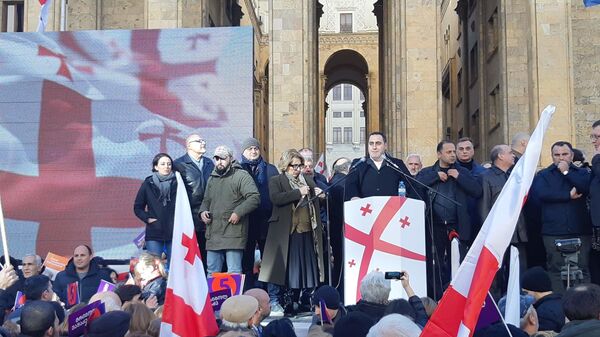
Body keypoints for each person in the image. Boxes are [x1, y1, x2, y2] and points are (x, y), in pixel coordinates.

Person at [259, 149, 326, 314]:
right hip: (283, 232)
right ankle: (275, 301)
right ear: (285, 165)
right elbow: (276, 198)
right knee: (277, 268)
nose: (297, 169)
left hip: (305, 232)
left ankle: (300, 300)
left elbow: (321, 195)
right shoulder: (276, 180)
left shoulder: (308, 180)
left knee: (300, 269)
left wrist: (322, 195)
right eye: (293, 166)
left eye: (299, 165)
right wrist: (298, 192)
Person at [417, 140, 482, 290]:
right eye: (449, 152)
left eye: (454, 152)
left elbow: (477, 191)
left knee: (458, 262)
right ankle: (437, 294)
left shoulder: (462, 172)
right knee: (436, 265)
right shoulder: (428, 172)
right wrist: (435, 176)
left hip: (457, 225)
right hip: (434, 225)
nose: (453, 155)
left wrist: (459, 177)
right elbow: (415, 185)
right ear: (439, 154)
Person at [531, 141, 592, 292]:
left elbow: (585, 187)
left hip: (580, 229)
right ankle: (558, 306)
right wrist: (567, 196)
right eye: (557, 155)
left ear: (571, 155)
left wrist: (566, 172)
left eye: (564, 154)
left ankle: (585, 307)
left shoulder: (582, 173)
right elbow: (540, 194)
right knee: (556, 270)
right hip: (553, 231)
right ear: (552, 157)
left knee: (582, 269)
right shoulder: (544, 175)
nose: (561, 158)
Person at [200, 145, 260, 276]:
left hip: (233, 232)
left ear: (231, 159)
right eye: (216, 159)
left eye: (223, 158)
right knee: (212, 272)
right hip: (213, 234)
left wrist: (238, 212)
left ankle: (234, 298)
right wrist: (203, 211)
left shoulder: (241, 175)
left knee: (234, 273)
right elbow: (206, 200)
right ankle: (213, 297)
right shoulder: (212, 177)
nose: (219, 162)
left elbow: (254, 197)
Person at [479, 145, 526, 296]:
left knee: (518, 269)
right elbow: (484, 206)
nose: (514, 155)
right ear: (500, 156)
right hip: (498, 233)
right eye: (510, 153)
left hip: (517, 231)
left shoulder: (516, 174)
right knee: (496, 274)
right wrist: (489, 233)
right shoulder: (486, 177)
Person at [238, 137, 279, 291]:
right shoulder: (238, 169)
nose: (254, 151)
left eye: (256, 148)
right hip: (246, 223)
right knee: (246, 262)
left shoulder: (271, 169)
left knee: (269, 262)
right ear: (243, 152)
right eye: (250, 149)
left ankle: (272, 297)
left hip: (267, 223)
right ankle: (247, 294)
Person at [173, 134, 214, 268]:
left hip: (209, 216)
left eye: (203, 140)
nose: (203, 143)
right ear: (188, 145)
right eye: (198, 141)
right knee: (192, 260)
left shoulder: (209, 163)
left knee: (210, 257)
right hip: (190, 218)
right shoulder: (179, 164)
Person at [345, 132, 415, 200]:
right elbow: (350, 185)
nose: (374, 147)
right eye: (371, 143)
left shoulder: (397, 164)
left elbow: (411, 186)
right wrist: (353, 197)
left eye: (378, 143)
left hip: (392, 209)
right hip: (366, 209)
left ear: (385, 146)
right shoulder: (358, 164)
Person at [134, 153, 177, 260]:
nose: (166, 167)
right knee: (154, 267)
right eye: (163, 164)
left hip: (175, 231)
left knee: (175, 266)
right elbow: (137, 207)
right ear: (156, 167)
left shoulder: (178, 181)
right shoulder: (148, 183)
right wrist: (148, 219)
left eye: (169, 164)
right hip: (155, 231)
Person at [328, 157, 351, 296]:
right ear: (347, 169)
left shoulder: (332, 182)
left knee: (338, 262)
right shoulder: (344, 183)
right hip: (344, 229)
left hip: (336, 228)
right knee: (342, 263)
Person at [521, 266, 565, 333]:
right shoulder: (563, 302)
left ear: (534, 289)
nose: (525, 296)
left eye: (525, 292)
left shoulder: (543, 313)